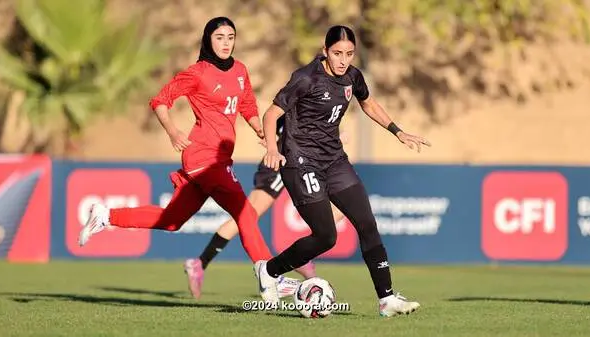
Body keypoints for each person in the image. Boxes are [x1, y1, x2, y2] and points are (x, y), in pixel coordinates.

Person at [77, 17, 281, 278]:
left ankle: (105, 215)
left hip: (216, 159)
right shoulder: (198, 73)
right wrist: (173, 132)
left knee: (172, 221)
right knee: (245, 212)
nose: (226, 43)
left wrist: (259, 129)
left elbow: (247, 105)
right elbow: (160, 101)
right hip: (204, 157)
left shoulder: (240, 70)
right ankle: (268, 274)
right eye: (220, 37)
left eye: (231, 37)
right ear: (208, 39)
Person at [254, 25, 431, 317]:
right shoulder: (305, 78)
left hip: (335, 161)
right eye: (337, 53)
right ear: (325, 51)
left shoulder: (352, 76)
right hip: (300, 163)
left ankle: (387, 299)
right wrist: (273, 148)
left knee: (367, 224)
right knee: (326, 237)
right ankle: (270, 270)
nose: (343, 60)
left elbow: (368, 102)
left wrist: (397, 131)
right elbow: (271, 114)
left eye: (349, 54)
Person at [184, 115, 347, 299]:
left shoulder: (307, 103)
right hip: (278, 166)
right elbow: (284, 130)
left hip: (302, 166)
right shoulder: (299, 102)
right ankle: (200, 262)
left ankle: (303, 255)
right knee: (246, 217)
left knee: (340, 208)